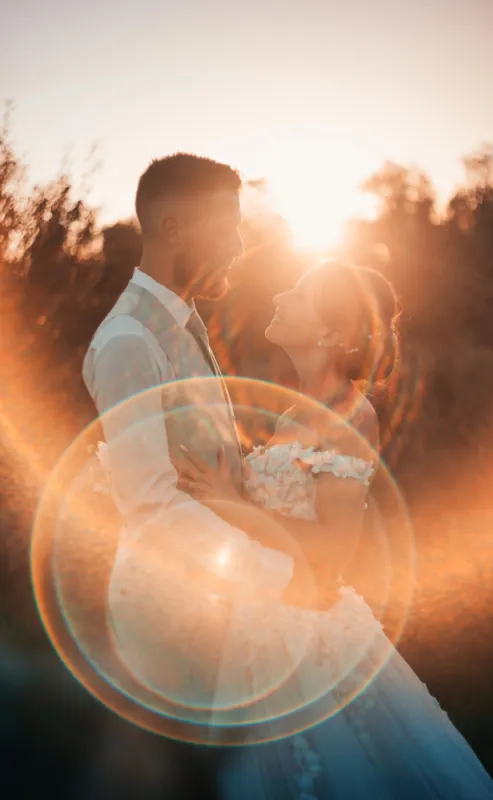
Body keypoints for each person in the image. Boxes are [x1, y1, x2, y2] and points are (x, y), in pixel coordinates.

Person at [175, 259, 493, 799]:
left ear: (332, 334)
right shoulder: (292, 416)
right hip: (263, 618)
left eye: (301, 293)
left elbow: (332, 550)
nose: (282, 296)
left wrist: (229, 503)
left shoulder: (352, 416)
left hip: (306, 637)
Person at [82, 153, 295, 798]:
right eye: (227, 227)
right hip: (170, 619)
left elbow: (209, 463)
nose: (238, 244)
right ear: (174, 229)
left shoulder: (181, 322)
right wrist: (278, 573)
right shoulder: (127, 341)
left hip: (219, 600)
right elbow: (151, 506)